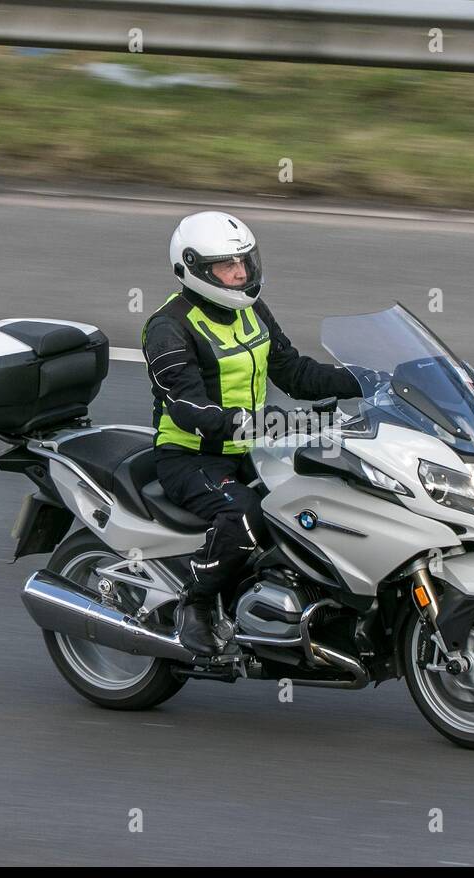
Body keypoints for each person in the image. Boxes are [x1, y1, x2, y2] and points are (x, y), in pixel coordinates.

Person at [141, 211, 361, 656]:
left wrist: (366, 380)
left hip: (254, 447)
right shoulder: (169, 327)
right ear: (194, 268)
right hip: (191, 457)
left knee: (323, 496)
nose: (241, 272)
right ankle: (196, 605)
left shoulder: (251, 308)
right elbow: (188, 409)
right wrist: (258, 422)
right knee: (245, 514)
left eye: (244, 261)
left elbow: (294, 372)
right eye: (227, 265)